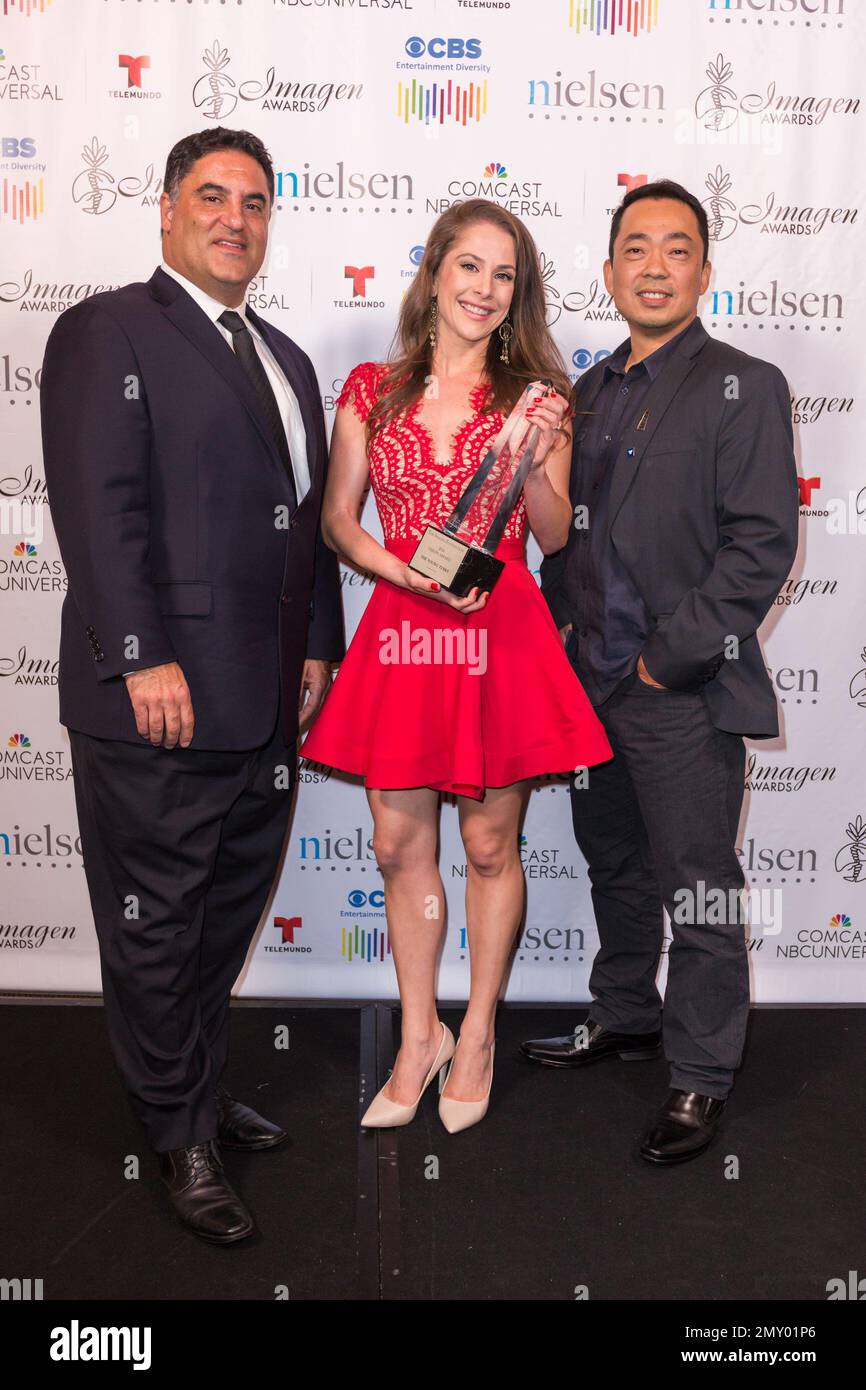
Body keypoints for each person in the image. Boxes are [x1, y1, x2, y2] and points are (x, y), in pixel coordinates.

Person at [40, 127, 344, 1242]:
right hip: (157, 698)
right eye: (211, 197)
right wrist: (138, 653)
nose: (234, 218)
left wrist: (317, 643)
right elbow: (98, 510)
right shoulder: (108, 328)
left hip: (265, 702)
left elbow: (302, 527)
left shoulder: (286, 357)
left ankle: (198, 1092)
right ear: (166, 209)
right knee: (158, 922)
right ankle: (174, 1137)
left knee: (221, 911)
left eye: (254, 202)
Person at [301, 199, 612, 1133]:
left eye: (504, 274)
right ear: (434, 271)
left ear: (519, 294)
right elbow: (337, 520)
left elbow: (554, 538)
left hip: (499, 632)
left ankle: (475, 1030)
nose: (484, 288)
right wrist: (401, 571)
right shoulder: (371, 386)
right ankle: (417, 1032)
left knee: (487, 846)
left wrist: (546, 459)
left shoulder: (537, 399)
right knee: (400, 847)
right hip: (405, 625)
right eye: (468, 266)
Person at [521, 180, 800, 1164]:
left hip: (675, 690)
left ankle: (699, 1072)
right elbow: (561, 544)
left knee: (700, 885)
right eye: (633, 249)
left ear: (702, 273)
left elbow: (759, 544)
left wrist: (658, 664)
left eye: (673, 249)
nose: (651, 266)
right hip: (586, 690)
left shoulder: (743, 383)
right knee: (617, 868)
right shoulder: (583, 395)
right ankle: (626, 1011)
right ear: (606, 272)